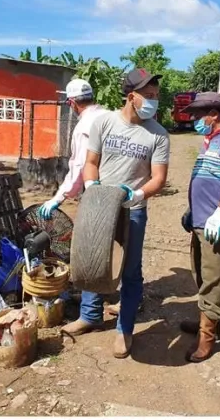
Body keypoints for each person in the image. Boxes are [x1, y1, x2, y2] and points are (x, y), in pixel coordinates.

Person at [61, 68, 170, 359]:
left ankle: (124, 328)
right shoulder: (104, 122)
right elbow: (91, 161)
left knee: (131, 271)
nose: (153, 101)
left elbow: (158, 178)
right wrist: (92, 186)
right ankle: (90, 315)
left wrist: (138, 194)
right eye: (148, 96)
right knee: (93, 262)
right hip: (98, 205)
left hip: (132, 209)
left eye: (156, 96)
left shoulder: (158, 135)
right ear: (131, 96)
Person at [178, 92, 220, 363]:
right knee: (200, 273)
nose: (195, 120)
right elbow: (207, 177)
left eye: (199, 115)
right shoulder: (210, 139)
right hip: (200, 221)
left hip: (217, 226)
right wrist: (192, 210)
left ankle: (207, 338)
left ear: (214, 113)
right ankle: (209, 321)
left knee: (213, 279)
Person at [39, 79, 107, 219]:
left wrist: (57, 199)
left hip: (101, 192)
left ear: (72, 102)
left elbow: (80, 166)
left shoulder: (84, 127)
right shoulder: (110, 116)